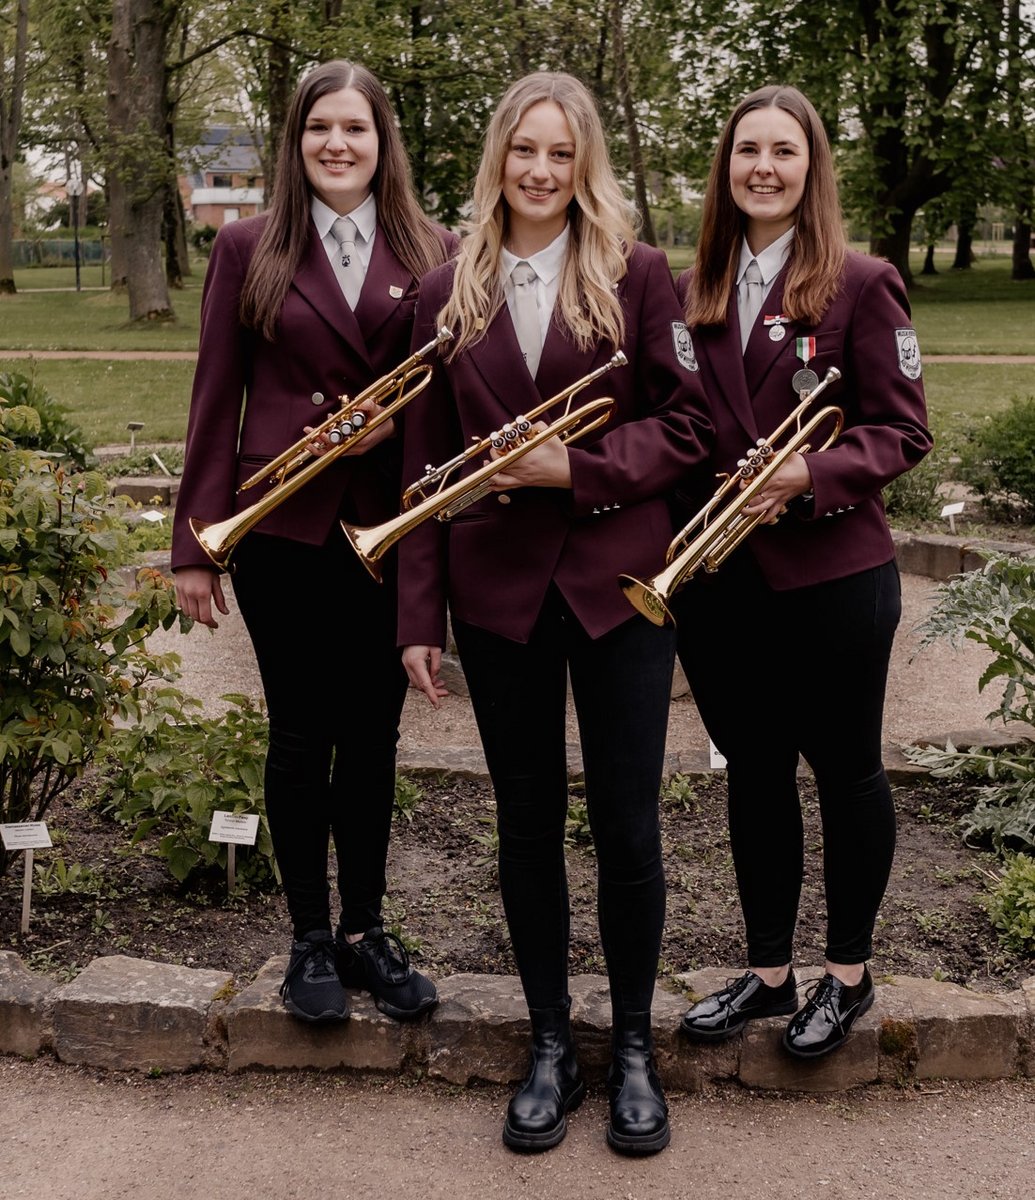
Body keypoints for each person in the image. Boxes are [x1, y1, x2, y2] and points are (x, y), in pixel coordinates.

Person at [398, 72, 712, 1154]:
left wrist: (575, 468)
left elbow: (690, 428)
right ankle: (547, 1045)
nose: (540, 171)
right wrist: (417, 616)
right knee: (525, 825)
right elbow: (423, 467)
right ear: (499, 157)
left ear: (586, 165)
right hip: (498, 595)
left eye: (561, 153)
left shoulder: (639, 273)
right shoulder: (445, 288)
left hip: (619, 587)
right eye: (524, 150)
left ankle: (631, 1048)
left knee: (627, 825)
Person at [171, 60, 456, 1025]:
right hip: (280, 527)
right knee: (298, 733)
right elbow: (216, 395)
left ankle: (365, 931)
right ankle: (307, 938)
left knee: (372, 737)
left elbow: (452, 392)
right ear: (296, 142)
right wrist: (193, 543)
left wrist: (394, 427)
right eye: (319, 128)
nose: (338, 144)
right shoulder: (246, 246)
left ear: (382, 143)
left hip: (388, 524)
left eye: (356, 128)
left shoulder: (436, 249)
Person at [672, 85, 932, 1058]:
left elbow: (902, 431)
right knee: (754, 775)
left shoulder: (861, 282)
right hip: (722, 585)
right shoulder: (690, 290)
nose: (764, 168)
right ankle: (770, 973)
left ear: (811, 168)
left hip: (832, 579)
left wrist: (807, 474)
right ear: (726, 167)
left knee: (847, 771)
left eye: (785, 151)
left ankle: (848, 975)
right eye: (748, 151)